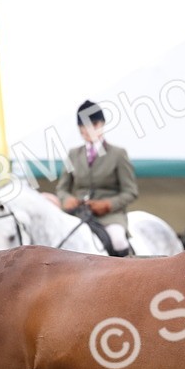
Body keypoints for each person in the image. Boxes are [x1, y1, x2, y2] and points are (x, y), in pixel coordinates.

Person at [42, 100, 139, 256]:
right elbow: (62, 187)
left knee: (118, 240)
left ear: (101, 124)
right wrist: (66, 199)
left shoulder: (118, 154)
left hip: (109, 216)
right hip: (78, 213)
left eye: (93, 125)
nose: (88, 130)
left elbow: (130, 191)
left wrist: (108, 204)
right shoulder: (73, 154)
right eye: (84, 127)